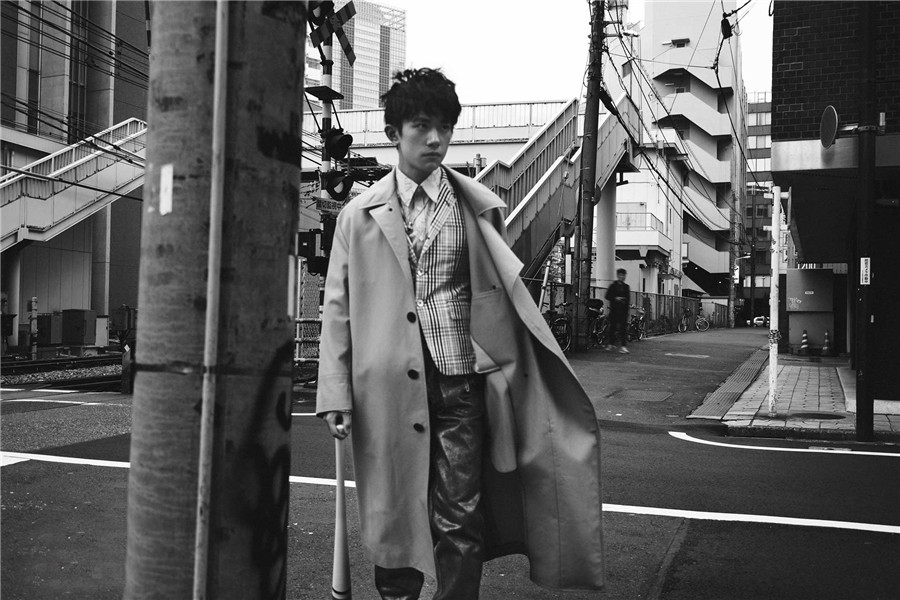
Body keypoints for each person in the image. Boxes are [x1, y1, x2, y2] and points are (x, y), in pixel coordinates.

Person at [316, 68, 604, 599]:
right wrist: (335, 392)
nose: (435, 139)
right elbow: (338, 307)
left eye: (445, 128)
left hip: (460, 381)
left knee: (460, 514)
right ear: (393, 132)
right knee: (393, 513)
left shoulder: (477, 208)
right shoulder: (357, 217)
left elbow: (497, 294)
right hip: (384, 387)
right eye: (422, 126)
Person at [605, 268, 631, 353]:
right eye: (620, 275)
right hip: (614, 309)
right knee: (612, 327)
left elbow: (628, 299)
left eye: (623, 275)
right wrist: (615, 298)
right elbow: (607, 296)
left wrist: (627, 310)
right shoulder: (613, 286)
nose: (622, 277)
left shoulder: (626, 287)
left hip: (623, 310)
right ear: (618, 276)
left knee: (623, 329)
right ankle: (611, 344)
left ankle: (623, 346)